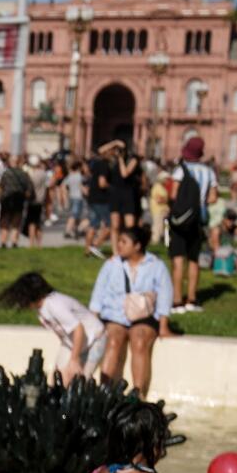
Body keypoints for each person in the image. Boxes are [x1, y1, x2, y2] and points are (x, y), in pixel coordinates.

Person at [90, 225, 175, 393]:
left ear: (137, 246)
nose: (118, 245)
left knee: (139, 341)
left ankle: (138, 394)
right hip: (115, 315)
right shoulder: (111, 264)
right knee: (113, 340)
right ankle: (105, 391)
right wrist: (93, 320)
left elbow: (165, 295)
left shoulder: (156, 266)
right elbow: (98, 293)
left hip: (144, 317)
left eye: (124, 242)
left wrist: (163, 325)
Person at [0, 271, 103, 381]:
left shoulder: (54, 305)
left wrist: (74, 359)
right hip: (72, 342)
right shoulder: (41, 308)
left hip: (94, 339)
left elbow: (78, 328)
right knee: (58, 379)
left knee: (76, 381)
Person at [167, 138, 217, 313]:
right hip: (198, 219)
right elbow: (213, 197)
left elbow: (173, 194)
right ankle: (192, 299)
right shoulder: (209, 172)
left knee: (178, 259)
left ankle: (177, 300)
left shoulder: (180, 171)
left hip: (181, 220)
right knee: (194, 259)